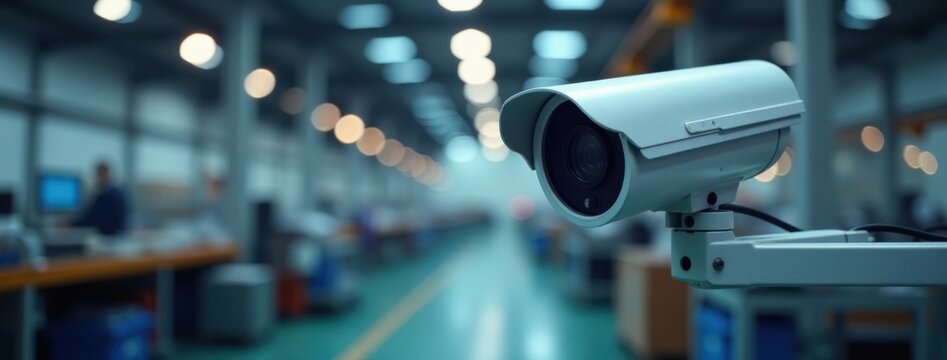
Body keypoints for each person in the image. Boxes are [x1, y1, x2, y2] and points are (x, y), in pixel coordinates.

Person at [70, 162, 128, 236]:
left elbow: (92, 218)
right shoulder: (118, 192)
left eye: (98, 174)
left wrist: (71, 224)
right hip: (118, 235)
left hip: (108, 238)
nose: (96, 178)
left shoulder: (105, 194)